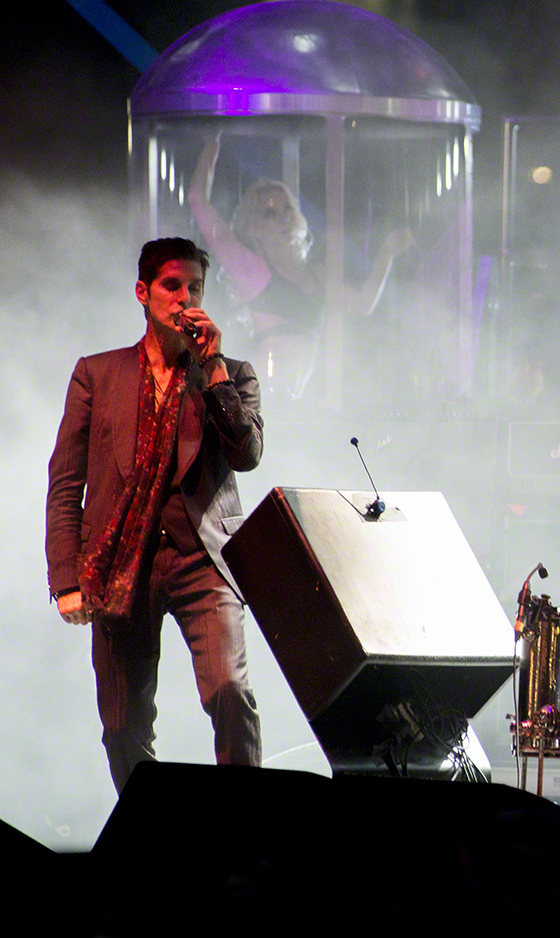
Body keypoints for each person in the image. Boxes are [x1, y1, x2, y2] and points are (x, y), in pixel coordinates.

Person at [45, 237, 264, 793]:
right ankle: (147, 826)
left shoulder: (231, 374)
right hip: (122, 564)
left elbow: (247, 455)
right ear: (143, 292)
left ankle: (248, 827)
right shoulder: (97, 374)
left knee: (230, 693)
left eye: (195, 287)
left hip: (203, 559)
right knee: (123, 724)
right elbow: (66, 482)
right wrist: (66, 578)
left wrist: (212, 367)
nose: (185, 298)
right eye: (172, 285)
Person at [189, 133, 413, 399]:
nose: (283, 218)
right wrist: (212, 143)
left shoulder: (317, 273)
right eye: (270, 214)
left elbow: (362, 304)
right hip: (263, 398)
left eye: (287, 209)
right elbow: (197, 200)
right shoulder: (252, 270)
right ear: (254, 226)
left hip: (298, 400)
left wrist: (387, 253)